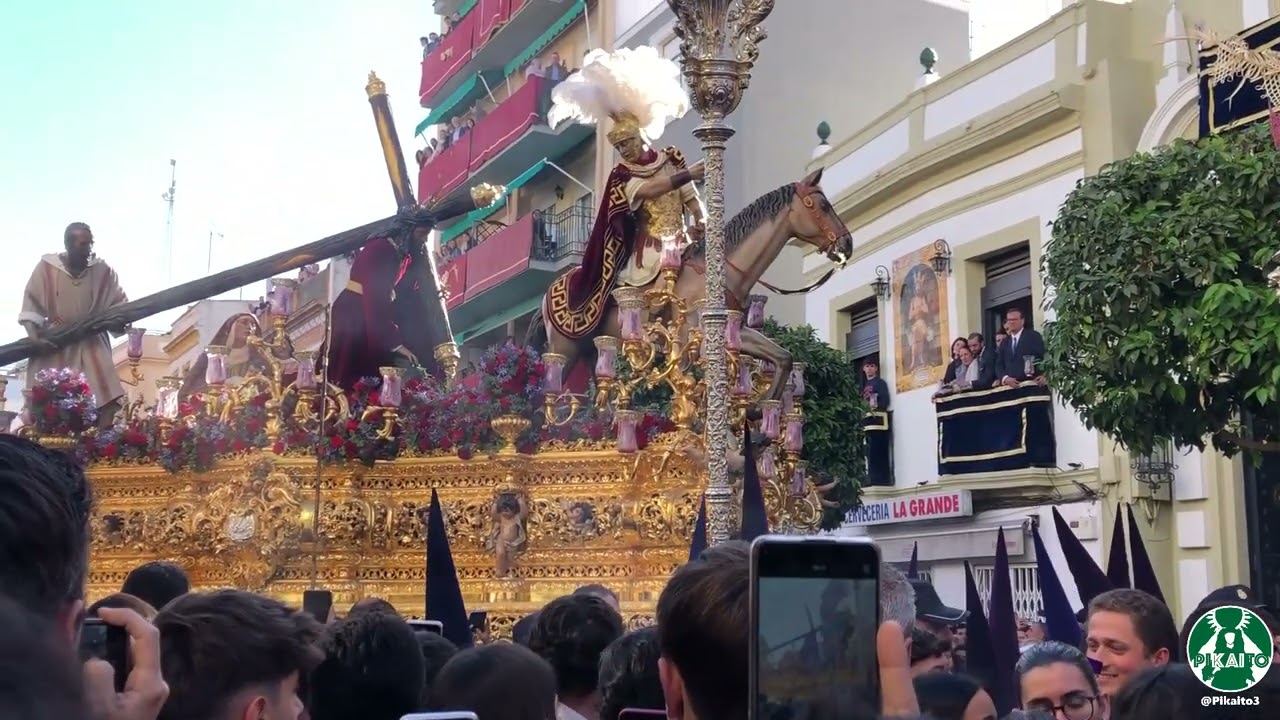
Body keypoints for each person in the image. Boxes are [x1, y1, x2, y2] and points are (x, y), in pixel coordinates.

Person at [544, 46, 706, 339]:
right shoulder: (624, 176)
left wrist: (701, 219)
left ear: (641, 136)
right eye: (619, 148)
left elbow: (691, 198)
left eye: (627, 143)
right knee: (646, 294)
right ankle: (647, 335)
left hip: (683, 240)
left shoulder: (670, 160)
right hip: (648, 252)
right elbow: (650, 189)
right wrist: (689, 173)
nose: (624, 150)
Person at [326, 191, 498, 391]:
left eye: (427, 235)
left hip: (374, 317)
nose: (423, 240)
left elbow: (402, 291)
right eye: (421, 234)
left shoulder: (402, 254)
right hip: (356, 317)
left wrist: (431, 295)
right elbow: (375, 301)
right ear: (407, 229)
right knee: (352, 378)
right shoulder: (379, 249)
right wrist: (395, 343)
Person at [20, 222, 131, 428]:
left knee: (106, 395)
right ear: (68, 245)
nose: (88, 249)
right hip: (56, 340)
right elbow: (31, 305)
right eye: (83, 244)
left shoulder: (103, 271)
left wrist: (121, 322)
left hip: (92, 341)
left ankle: (98, 443)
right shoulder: (46, 268)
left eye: (90, 243)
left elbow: (121, 308)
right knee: (47, 399)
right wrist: (35, 339)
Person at [995, 308, 1045, 387]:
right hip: (1011, 389)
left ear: (1022, 321)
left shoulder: (1033, 336)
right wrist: (1005, 378)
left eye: (1014, 319)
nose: (1011, 322)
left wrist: (1045, 375)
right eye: (1009, 320)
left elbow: (1043, 357)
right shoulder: (1004, 342)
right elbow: (999, 364)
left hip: (1031, 386)